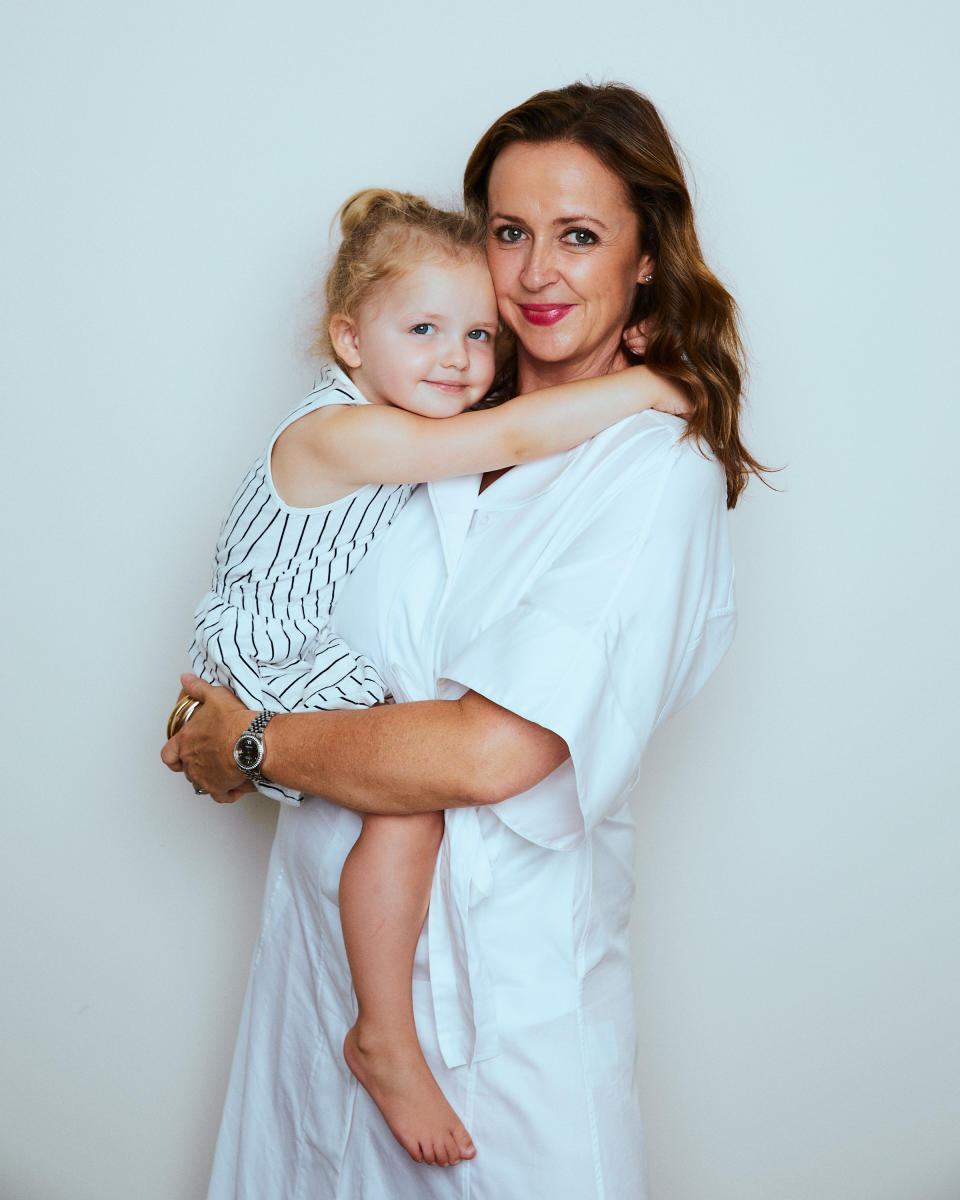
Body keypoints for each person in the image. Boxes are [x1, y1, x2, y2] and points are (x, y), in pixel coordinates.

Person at [163, 81, 764, 1199]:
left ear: (646, 260)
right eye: (509, 232)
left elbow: (492, 753)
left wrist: (249, 747)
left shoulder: (649, 473)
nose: (536, 273)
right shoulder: (428, 427)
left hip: (495, 1027)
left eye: (579, 236)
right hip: (319, 981)